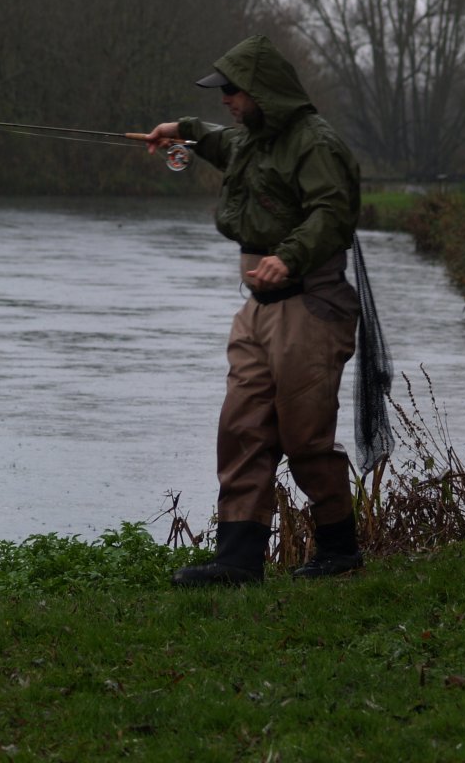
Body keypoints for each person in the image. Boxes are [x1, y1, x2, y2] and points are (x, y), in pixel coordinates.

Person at [145, 34, 364, 585]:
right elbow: (222, 142)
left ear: (263, 93)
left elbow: (332, 214)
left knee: (305, 439)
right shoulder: (253, 138)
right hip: (258, 310)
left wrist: (287, 258)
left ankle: (340, 552)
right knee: (241, 426)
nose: (226, 100)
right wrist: (184, 132)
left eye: (233, 91)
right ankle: (238, 561)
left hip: (311, 303)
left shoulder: (315, 143)